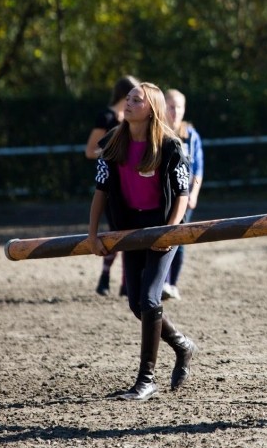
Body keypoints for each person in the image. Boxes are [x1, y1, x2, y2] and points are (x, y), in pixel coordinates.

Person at [87, 82, 197, 400]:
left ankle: (146, 381)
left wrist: (170, 232)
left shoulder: (170, 145)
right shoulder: (112, 143)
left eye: (138, 100)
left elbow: (181, 194)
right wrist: (94, 235)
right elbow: (101, 193)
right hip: (128, 230)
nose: (130, 103)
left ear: (152, 108)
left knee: (150, 300)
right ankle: (183, 345)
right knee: (137, 304)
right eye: (130, 99)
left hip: (162, 227)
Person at [87, 75, 140, 297]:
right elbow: (90, 151)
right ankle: (106, 275)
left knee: (131, 233)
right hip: (111, 185)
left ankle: (126, 283)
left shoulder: (132, 119)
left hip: (131, 183)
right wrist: (114, 152)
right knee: (116, 232)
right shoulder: (107, 117)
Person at [162, 89, 204, 301]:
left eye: (179, 107)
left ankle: (172, 283)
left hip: (183, 196)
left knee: (178, 239)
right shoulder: (157, 132)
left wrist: (193, 193)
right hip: (162, 197)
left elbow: (198, 169)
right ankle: (160, 281)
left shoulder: (190, 135)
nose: (175, 111)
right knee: (159, 237)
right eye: (170, 106)